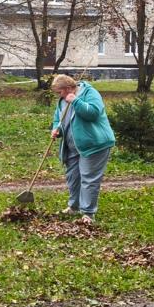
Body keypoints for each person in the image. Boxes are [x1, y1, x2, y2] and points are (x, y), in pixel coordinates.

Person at [49, 74, 115, 224]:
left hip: (94, 144)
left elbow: (93, 113)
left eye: (59, 92)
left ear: (67, 89)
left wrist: (76, 101)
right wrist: (56, 129)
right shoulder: (62, 100)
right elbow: (57, 118)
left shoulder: (89, 93)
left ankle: (88, 213)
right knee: (73, 177)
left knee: (88, 178)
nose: (58, 95)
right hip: (72, 146)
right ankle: (74, 206)